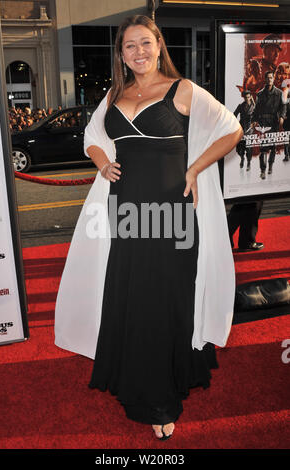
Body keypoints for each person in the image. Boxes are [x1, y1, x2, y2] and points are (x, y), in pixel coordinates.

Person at [54, 15, 242, 441]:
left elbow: (232, 129)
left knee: (162, 299)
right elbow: (92, 135)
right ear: (120, 54)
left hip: (172, 212)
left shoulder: (183, 91)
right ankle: (132, 376)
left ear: (159, 45)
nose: (138, 52)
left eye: (145, 43)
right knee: (130, 294)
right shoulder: (114, 94)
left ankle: (160, 398)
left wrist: (195, 168)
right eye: (129, 46)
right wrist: (102, 162)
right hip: (125, 212)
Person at [251, 70, 286, 179]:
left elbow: (283, 106)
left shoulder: (279, 93)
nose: (269, 79)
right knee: (263, 148)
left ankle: (270, 166)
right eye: (268, 78)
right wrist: (254, 120)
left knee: (273, 147)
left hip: (274, 122)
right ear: (265, 79)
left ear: (273, 79)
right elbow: (256, 109)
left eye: (271, 78)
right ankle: (262, 170)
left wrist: (281, 116)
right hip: (263, 123)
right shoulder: (260, 94)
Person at [234, 91, 255, 170]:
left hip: (249, 130)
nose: (247, 99)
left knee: (249, 148)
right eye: (245, 97)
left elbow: (257, 116)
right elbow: (234, 114)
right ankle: (242, 158)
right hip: (241, 128)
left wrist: (254, 122)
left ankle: (248, 162)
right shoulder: (240, 106)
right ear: (244, 98)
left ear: (250, 97)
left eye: (248, 97)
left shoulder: (254, 106)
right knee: (240, 147)